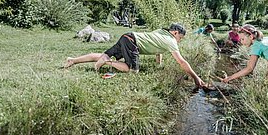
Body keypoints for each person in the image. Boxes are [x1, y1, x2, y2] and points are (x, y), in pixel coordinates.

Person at [64, 23, 207, 88]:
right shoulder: (171, 41)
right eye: (180, 37)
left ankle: (72, 60)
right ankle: (106, 62)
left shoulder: (162, 32)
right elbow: (182, 62)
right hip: (132, 42)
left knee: (101, 54)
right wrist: (196, 77)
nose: (179, 40)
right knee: (132, 70)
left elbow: (158, 50)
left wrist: (159, 65)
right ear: (175, 33)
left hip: (128, 36)